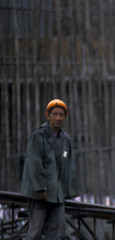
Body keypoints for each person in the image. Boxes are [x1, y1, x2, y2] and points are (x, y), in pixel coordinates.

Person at [21, 99, 80, 240]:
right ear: (48, 115)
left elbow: (69, 167)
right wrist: (40, 188)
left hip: (57, 194)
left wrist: (70, 191)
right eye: (55, 114)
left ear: (66, 116)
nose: (58, 118)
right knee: (36, 230)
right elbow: (34, 163)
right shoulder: (38, 137)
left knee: (57, 231)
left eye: (61, 115)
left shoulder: (66, 140)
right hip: (40, 194)